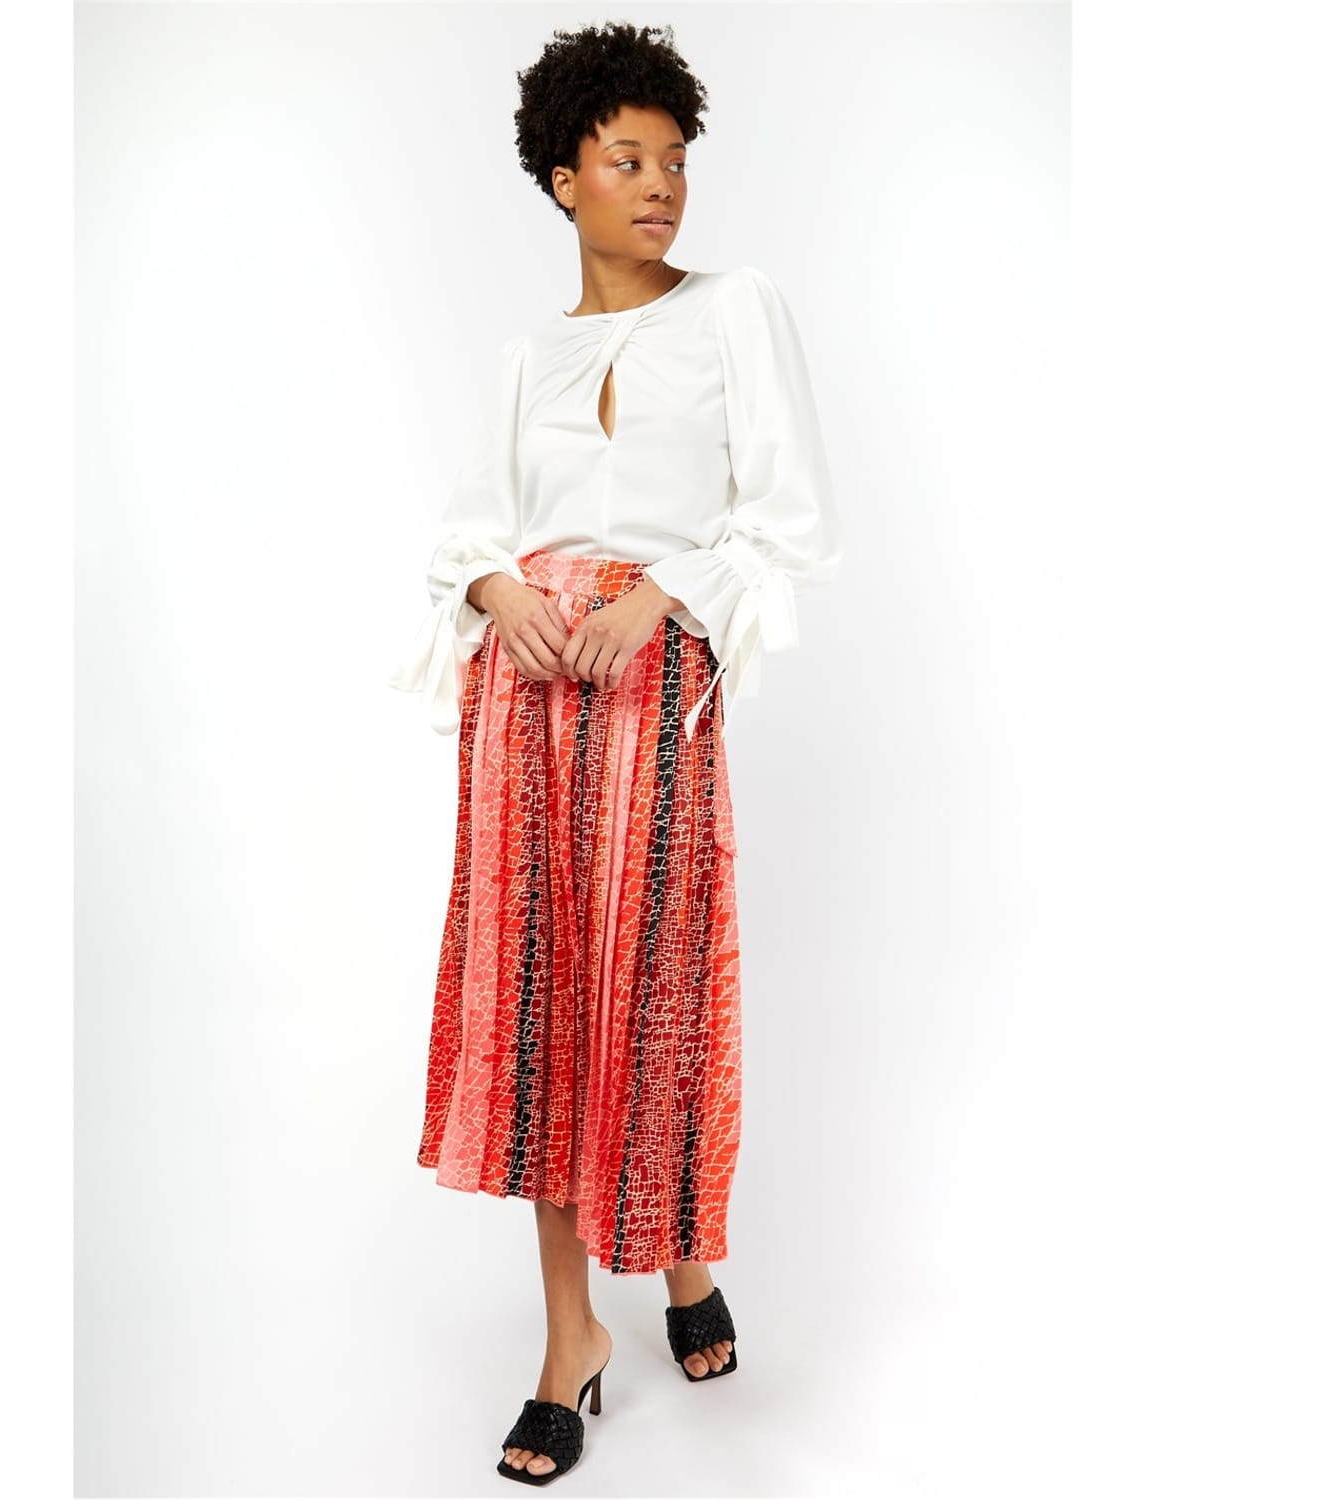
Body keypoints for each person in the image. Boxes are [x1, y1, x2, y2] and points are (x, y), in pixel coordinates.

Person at [388, 20, 841, 1486]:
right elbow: (466, 533)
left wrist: (663, 593)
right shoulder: (526, 357)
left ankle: (685, 1258)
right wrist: (499, 589)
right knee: (543, 1006)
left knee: (656, 990)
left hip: (655, 694)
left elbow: (789, 517)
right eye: (628, 160)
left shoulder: (735, 311)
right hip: (526, 707)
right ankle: (568, 1337)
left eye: (676, 161)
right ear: (563, 179)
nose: (662, 186)